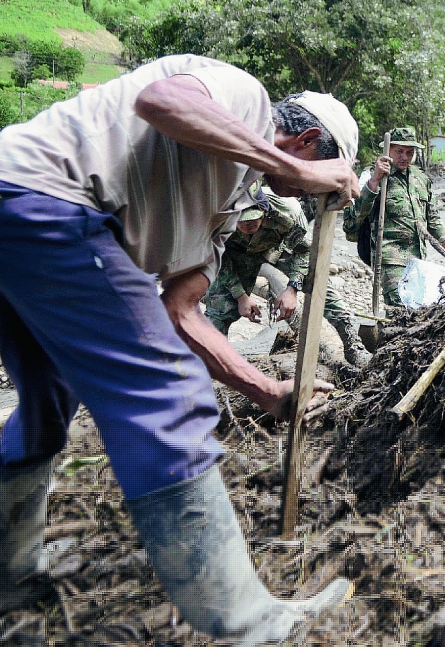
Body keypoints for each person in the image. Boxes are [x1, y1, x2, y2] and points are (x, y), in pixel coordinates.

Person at [0, 58, 359, 641]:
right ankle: (249, 626)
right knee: (169, 398)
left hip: (17, 212)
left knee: (46, 401)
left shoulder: (229, 205)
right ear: (310, 141)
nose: (303, 191)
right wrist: (296, 168)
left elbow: (180, 311)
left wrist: (268, 392)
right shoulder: (245, 96)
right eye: (316, 172)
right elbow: (161, 102)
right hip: (48, 199)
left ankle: (11, 580)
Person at [204, 183, 372, 366]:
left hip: (281, 246)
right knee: (220, 305)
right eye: (241, 219)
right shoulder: (216, 219)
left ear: (264, 208)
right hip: (237, 253)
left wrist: (292, 288)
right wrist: (241, 296)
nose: (247, 223)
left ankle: (353, 343)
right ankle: (209, 360)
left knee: (318, 281)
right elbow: (219, 258)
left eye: (253, 217)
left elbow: (304, 250)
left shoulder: (287, 211)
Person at [344, 126, 445, 305]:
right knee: (401, 304)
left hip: (418, 256)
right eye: (399, 151)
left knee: (418, 307)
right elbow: (353, 214)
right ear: (388, 150)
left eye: (410, 152)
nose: (405, 157)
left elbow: (432, 218)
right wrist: (375, 180)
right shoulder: (371, 175)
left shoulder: (421, 179)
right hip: (389, 257)